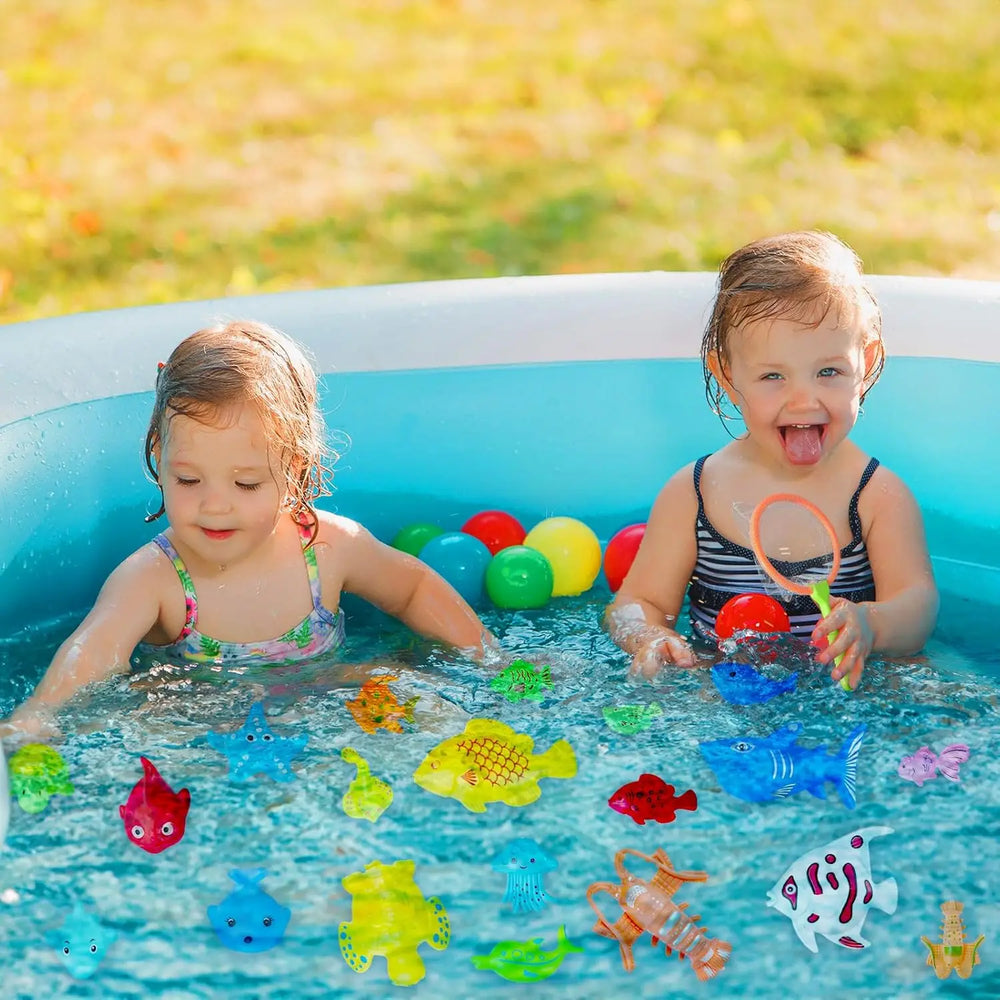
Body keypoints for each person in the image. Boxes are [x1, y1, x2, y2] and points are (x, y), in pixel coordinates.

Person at [2, 321, 495, 737]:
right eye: (187, 479)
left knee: (427, 706)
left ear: (294, 469)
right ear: (159, 458)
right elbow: (92, 653)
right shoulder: (153, 578)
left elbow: (410, 589)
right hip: (197, 723)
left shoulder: (327, 546)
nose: (215, 506)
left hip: (324, 696)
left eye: (246, 483)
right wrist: (35, 718)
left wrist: (487, 658)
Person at [606, 231, 938, 689]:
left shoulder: (877, 495)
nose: (804, 401)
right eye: (773, 376)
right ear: (727, 374)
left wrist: (871, 625)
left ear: (866, 361)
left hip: (853, 689)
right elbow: (635, 600)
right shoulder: (695, 492)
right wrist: (649, 635)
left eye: (828, 371)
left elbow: (917, 607)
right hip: (727, 691)